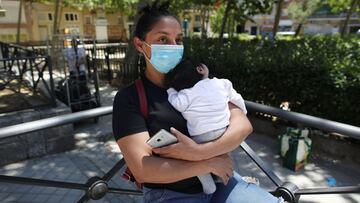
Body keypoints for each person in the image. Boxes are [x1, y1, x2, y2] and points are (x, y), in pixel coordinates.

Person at [112, 2, 286, 203]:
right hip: (170, 194)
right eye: (163, 39)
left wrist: (201, 152)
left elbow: (243, 125)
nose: (174, 47)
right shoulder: (130, 98)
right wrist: (206, 164)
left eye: (178, 39)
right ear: (140, 45)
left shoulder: (197, 78)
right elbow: (142, 169)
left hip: (221, 182)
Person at [165, 58, 249, 194]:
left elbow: (177, 104)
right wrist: (243, 111)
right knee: (221, 153)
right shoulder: (222, 83)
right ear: (200, 69)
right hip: (224, 130)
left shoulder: (186, 93)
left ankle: (208, 184)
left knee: (194, 159)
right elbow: (237, 98)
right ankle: (224, 177)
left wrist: (171, 91)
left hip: (200, 136)